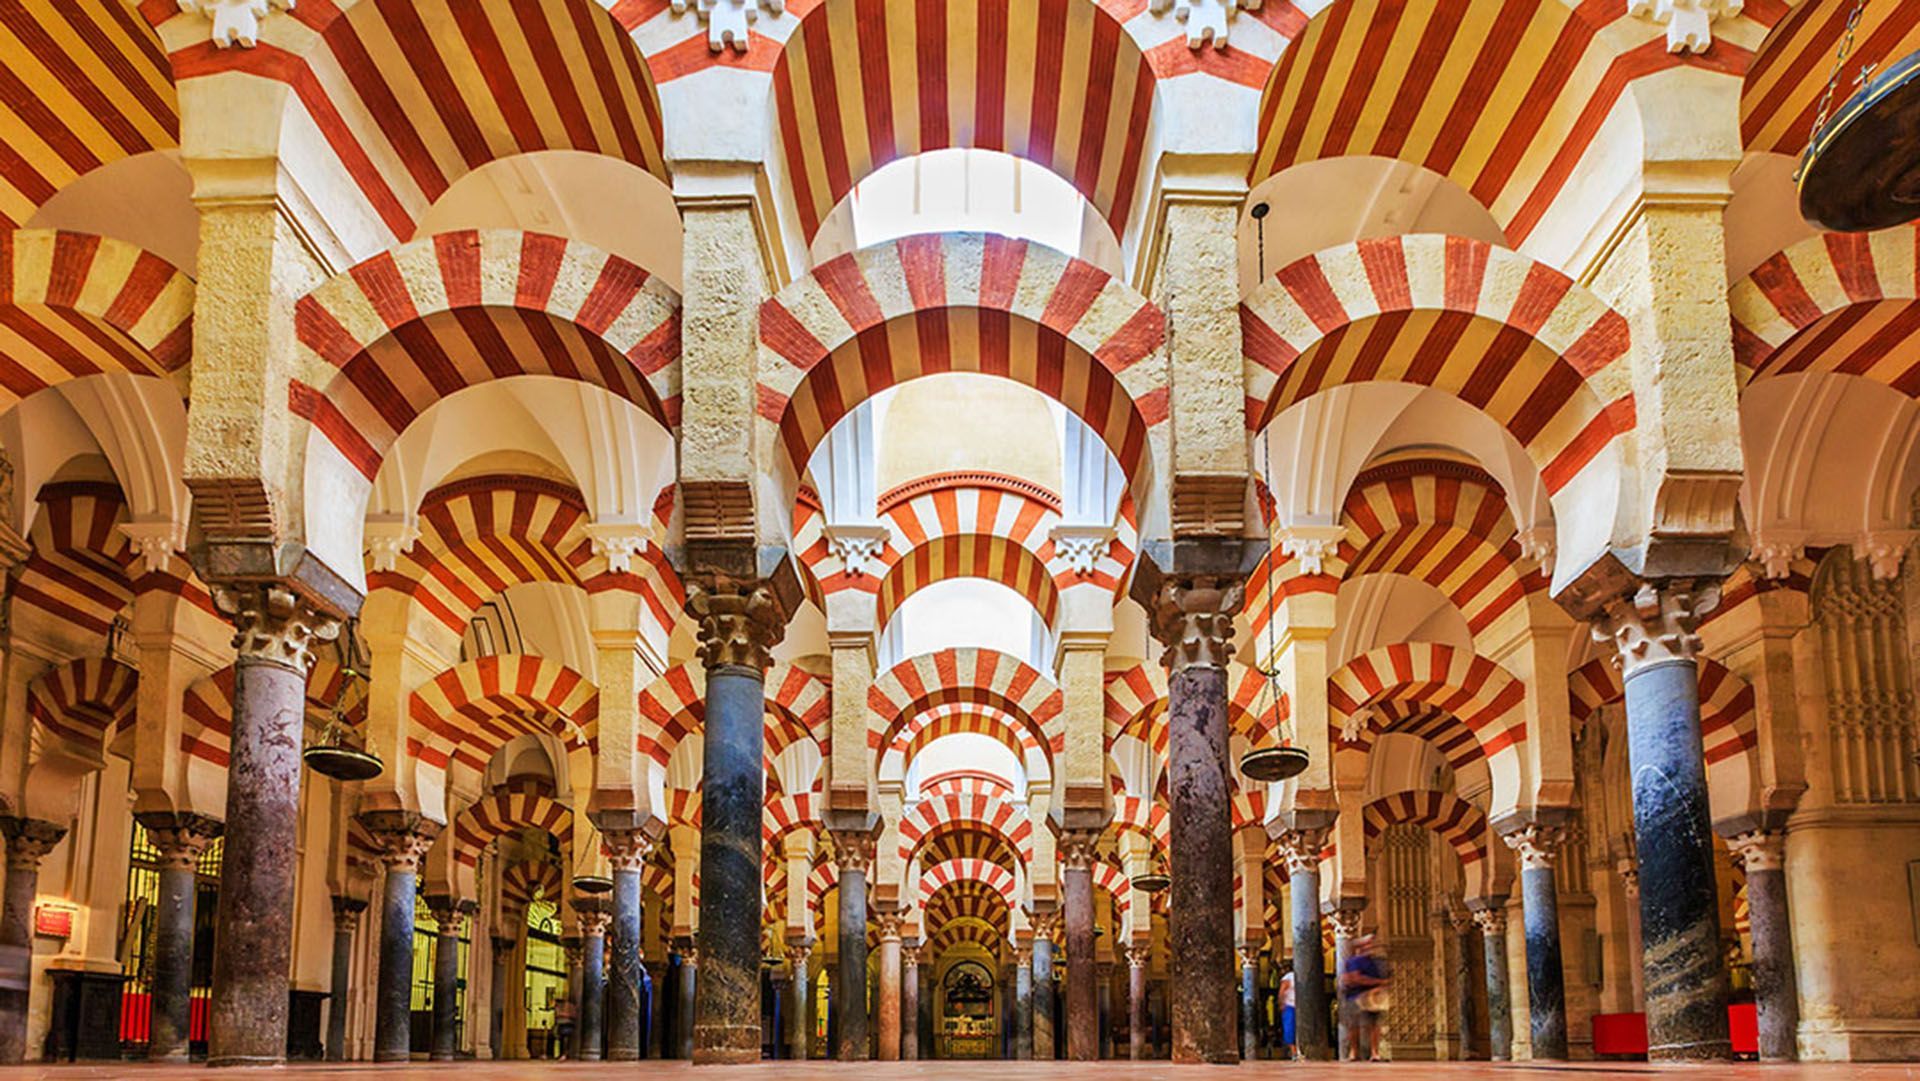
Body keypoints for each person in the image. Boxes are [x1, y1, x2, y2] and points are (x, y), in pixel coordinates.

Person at [1339, 933, 1392, 1062]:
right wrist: (1378, 983)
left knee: (1374, 1025)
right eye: (1367, 944)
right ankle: (1354, 1052)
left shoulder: (1378, 961)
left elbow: (1387, 977)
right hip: (1355, 996)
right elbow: (1355, 978)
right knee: (1354, 1025)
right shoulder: (1354, 961)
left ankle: (1374, 1052)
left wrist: (1380, 984)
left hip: (1373, 997)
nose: (1370, 947)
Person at [1278, 968, 1298, 1060]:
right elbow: (1282, 991)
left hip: (1299, 1007)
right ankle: (1294, 1052)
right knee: (1290, 1029)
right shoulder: (1289, 976)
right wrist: (1282, 1003)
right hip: (1290, 1005)